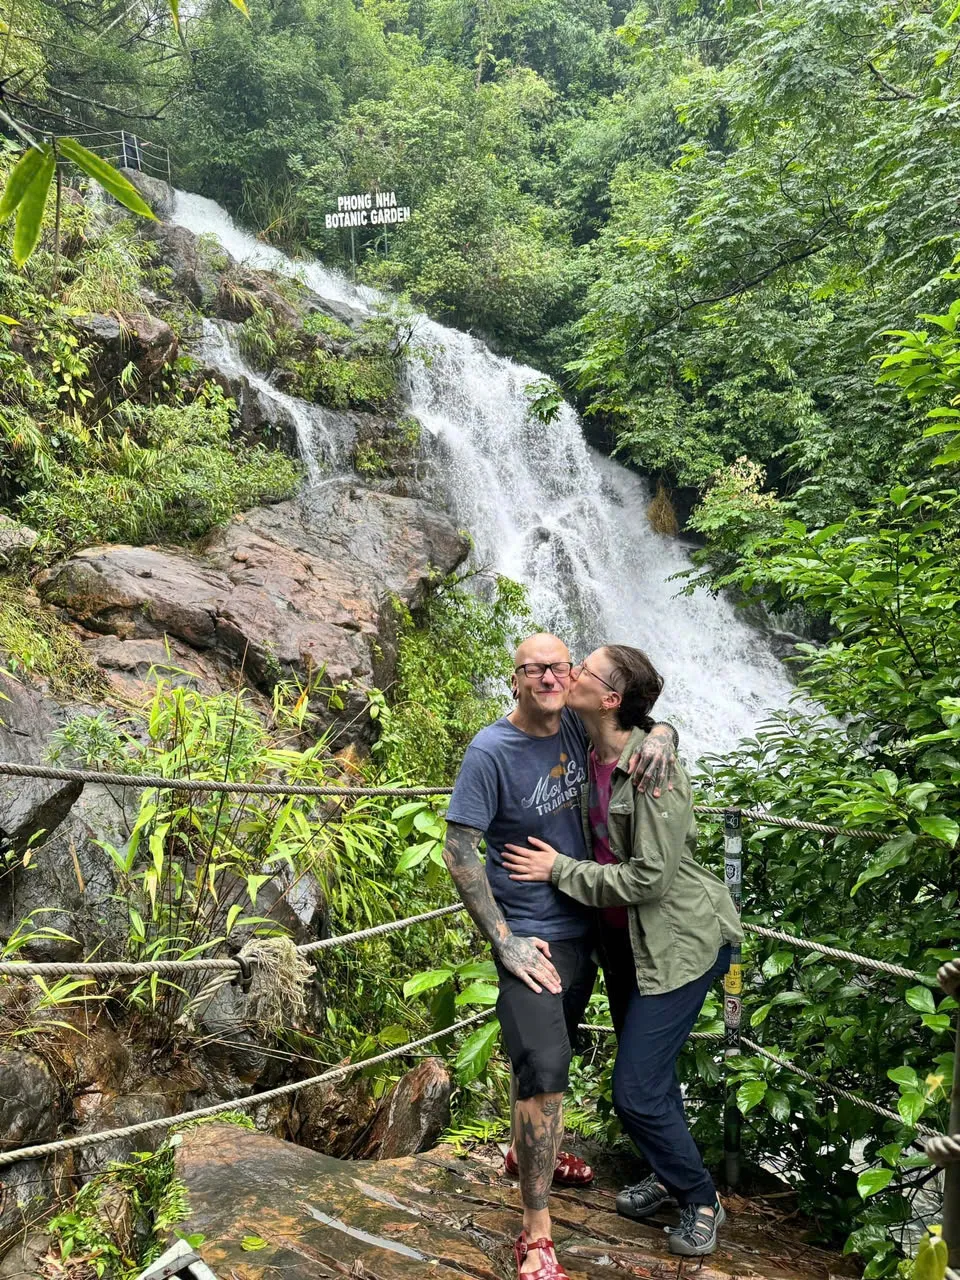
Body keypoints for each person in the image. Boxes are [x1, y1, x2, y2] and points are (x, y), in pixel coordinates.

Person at [442, 633, 678, 1280]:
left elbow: (637, 718)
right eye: (532, 669)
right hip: (532, 935)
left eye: (557, 667)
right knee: (544, 1062)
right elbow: (459, 850)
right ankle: (536, 1232)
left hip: (587, 930)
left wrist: (662, 736)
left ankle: (531, 1156)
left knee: (558, 1047)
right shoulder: (491, 751)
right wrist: (504, 939)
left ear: (573, 677)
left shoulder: (578, 726)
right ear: (514, 679)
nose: (548, 678)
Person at [502, 644, 742, 1259]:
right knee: (652, 1080)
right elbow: (532, 709)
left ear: (609, 699)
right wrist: (665, 727)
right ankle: (669, 1175)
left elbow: (650, 880)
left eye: (581, 668)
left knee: (635, 1090)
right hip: (626, 946)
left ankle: (700, 1199)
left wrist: (559, 870)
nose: (568, 673)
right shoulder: (586, 752)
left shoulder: (652, 772)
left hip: (678, 945)